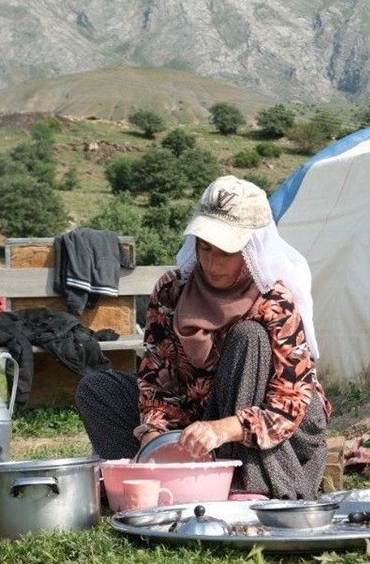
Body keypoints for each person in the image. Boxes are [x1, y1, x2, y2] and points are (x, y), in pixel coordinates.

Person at [76, 175, 330, 499]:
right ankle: (156, 477)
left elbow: (288, 404)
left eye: (225, 251)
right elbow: (156, 375)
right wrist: (153, 435)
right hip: (200, 417)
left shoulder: (273, 300)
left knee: (248, 338)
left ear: (250, 248)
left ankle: (248, 484)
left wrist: (221, 429)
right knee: (98, 391)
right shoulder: (173, 290)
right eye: (205, 247)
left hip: (277, 424)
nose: (211, 262)